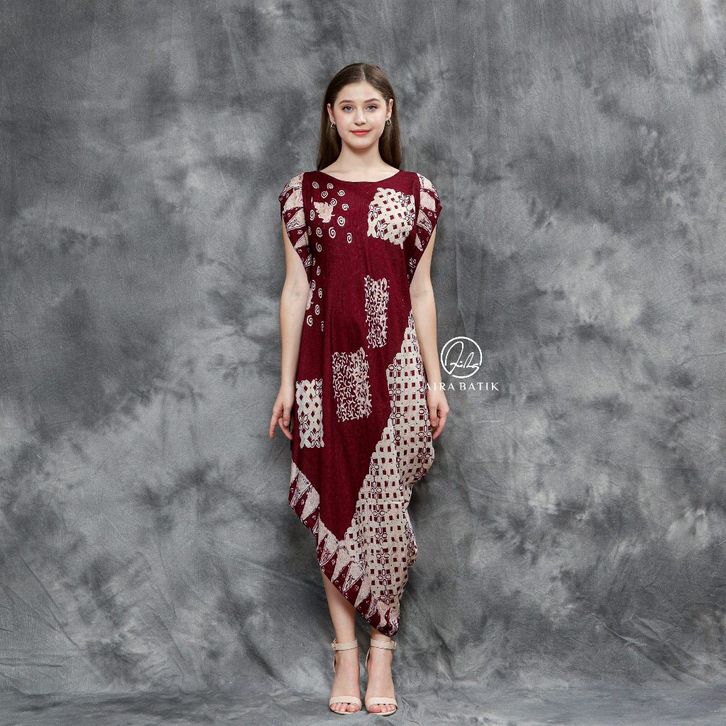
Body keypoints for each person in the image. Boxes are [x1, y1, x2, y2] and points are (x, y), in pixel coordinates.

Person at [268, 62, 449, 716]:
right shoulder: (305, 193)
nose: (360, 117)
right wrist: (285, 383)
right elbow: (296, 290)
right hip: (324, 375)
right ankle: (345, 654)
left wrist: (435, 378)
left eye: (372, 105)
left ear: (389, 111)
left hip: (394, 373)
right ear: (331, 115)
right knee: (337, 507)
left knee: (386, 511)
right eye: (348, 106)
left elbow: (419, 292)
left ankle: (383, 652)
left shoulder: (417, 193)